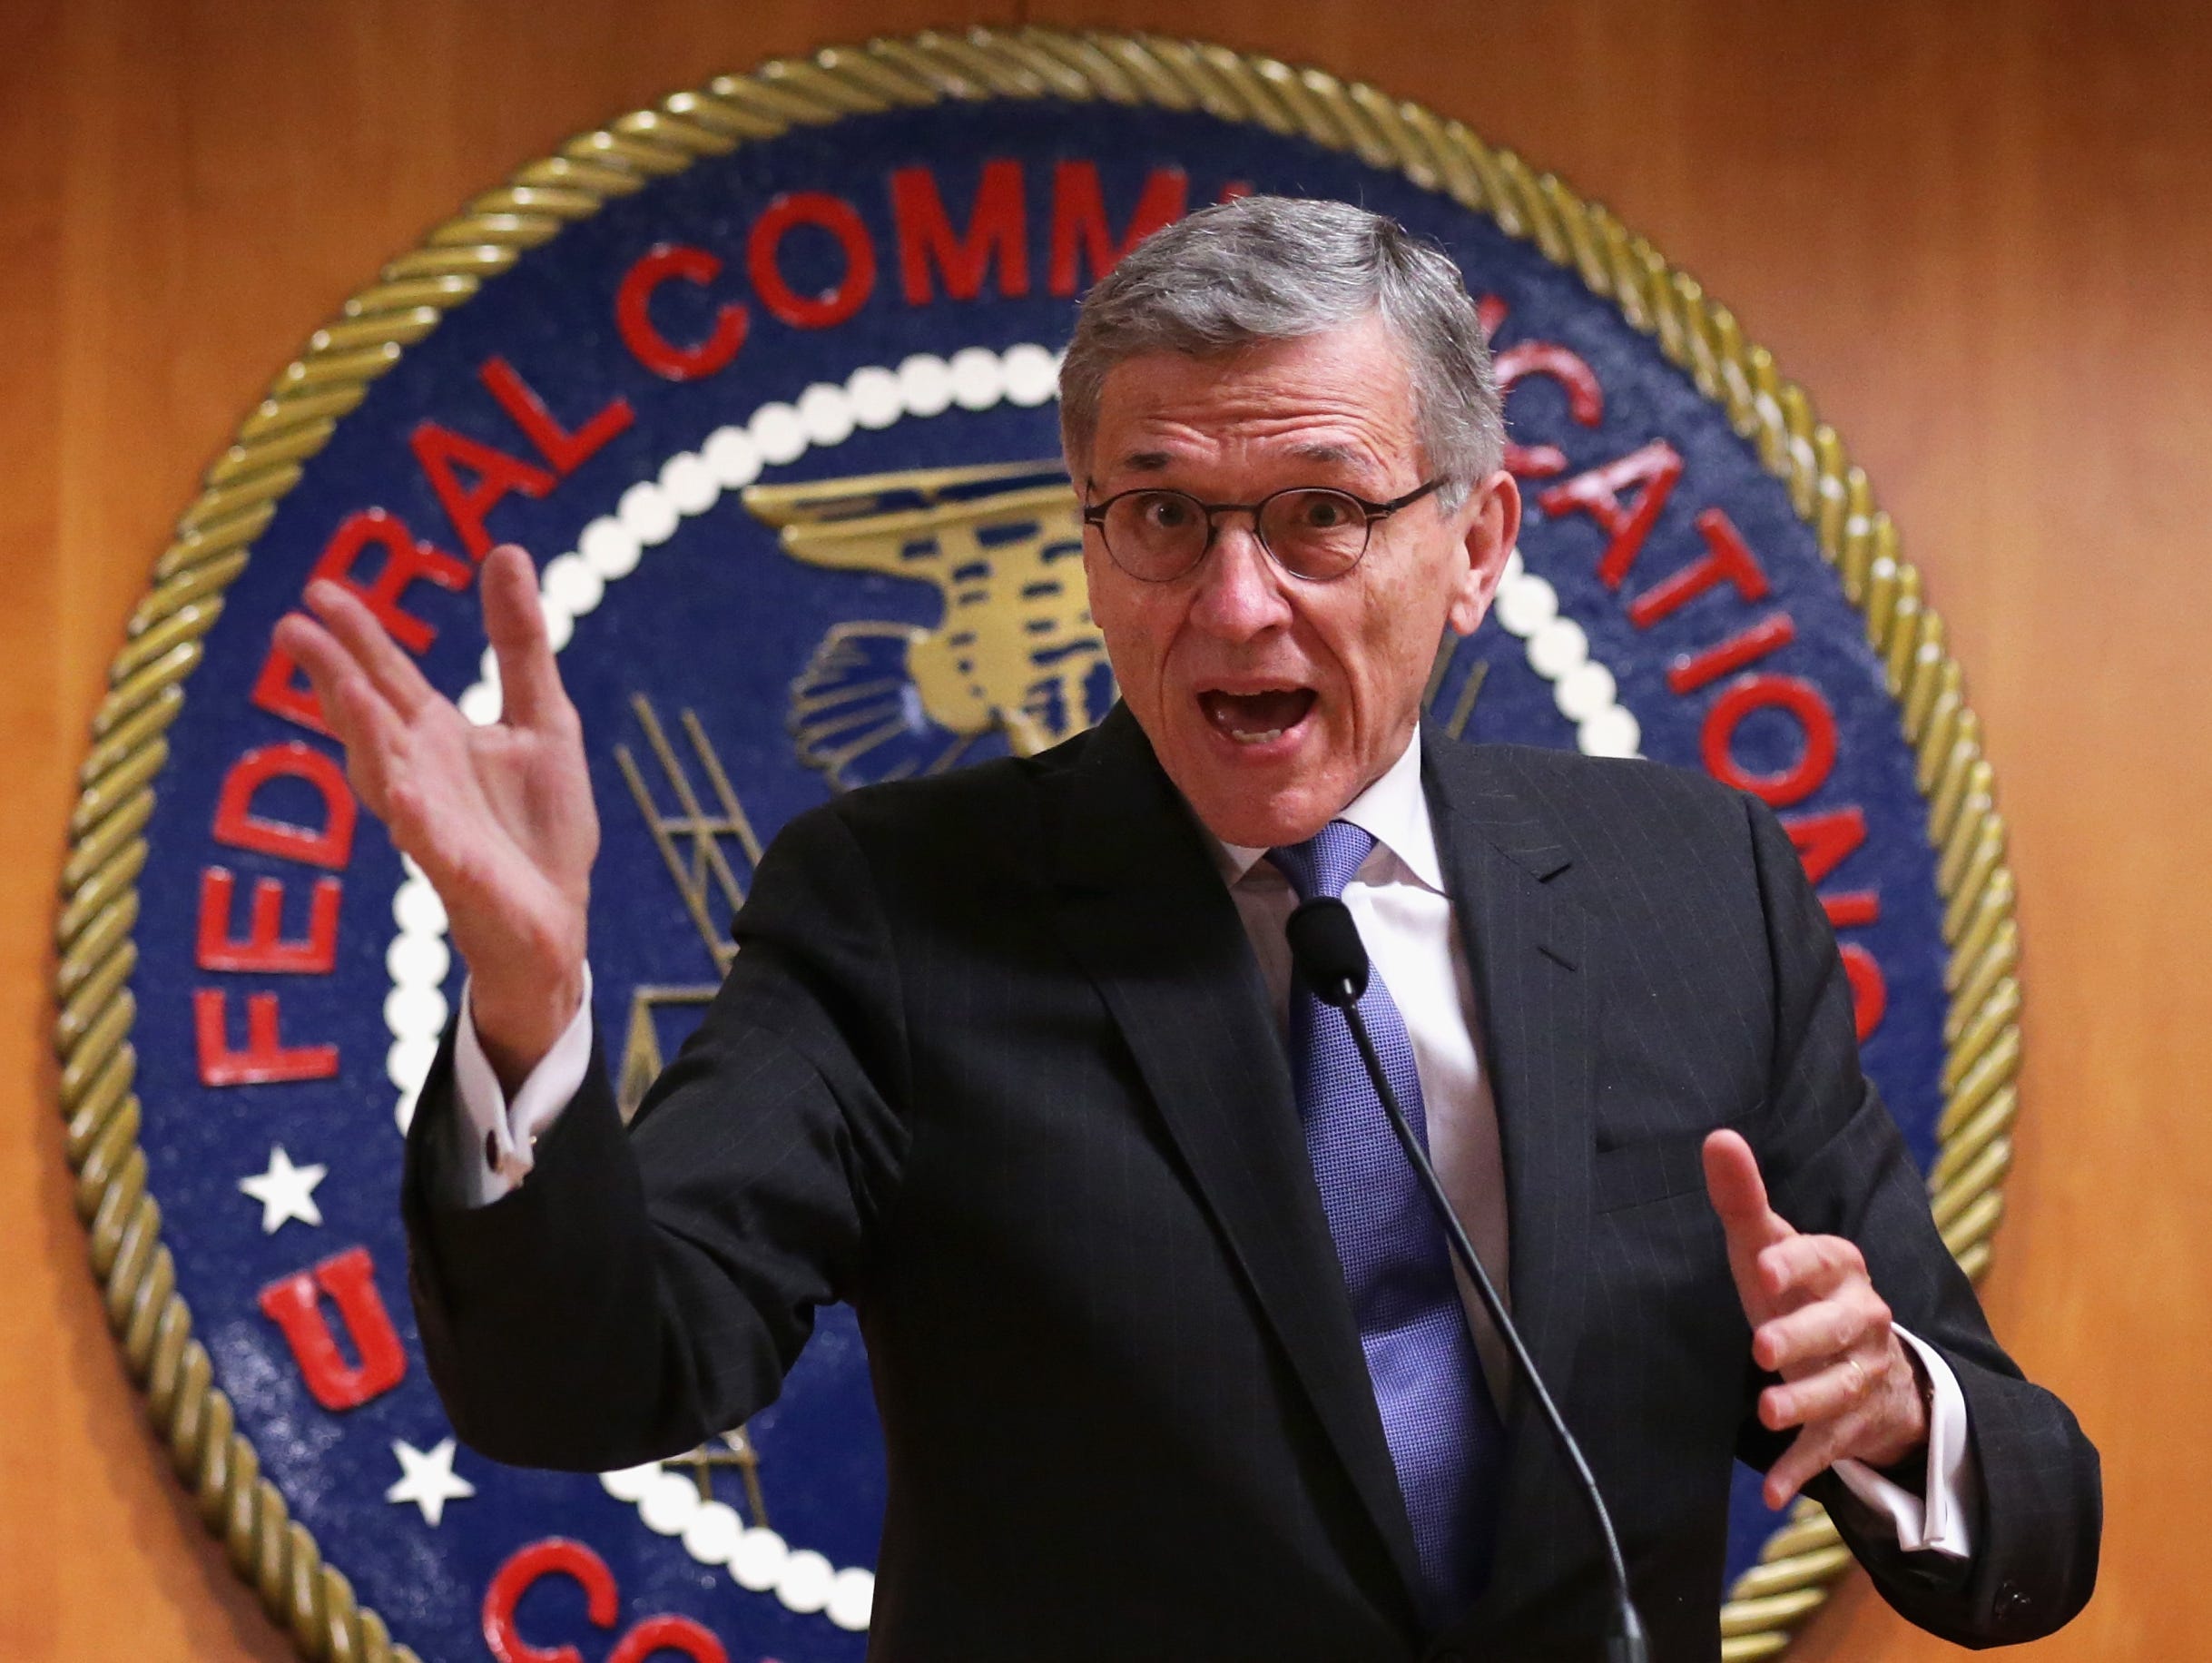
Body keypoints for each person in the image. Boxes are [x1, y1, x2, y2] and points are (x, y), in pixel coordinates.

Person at [278, 195, 2099, 1661]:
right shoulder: (899, 908)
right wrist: (525, 1013)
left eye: (1319, 516)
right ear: (1088, 540)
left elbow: (2030, 1533)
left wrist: (1896, 1403)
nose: (1235, 606)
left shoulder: (1692, 888)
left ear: (1474, 545)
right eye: (1162, 517)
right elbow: (597, 1376)